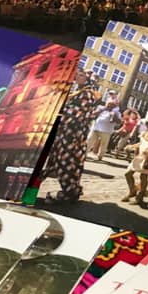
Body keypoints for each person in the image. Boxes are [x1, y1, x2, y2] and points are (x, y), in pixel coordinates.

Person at [39, 70, 100, 202]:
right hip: (66, 132)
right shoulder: (79, 91)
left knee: (67, 162)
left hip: (73, 135)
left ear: (87, 79)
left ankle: (70, 192)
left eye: (81, 75)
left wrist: (58, 111)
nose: (77, 76)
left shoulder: (87, 93)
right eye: (77, 74)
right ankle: (34, 184)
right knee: (56, 160)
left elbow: (77, 113)